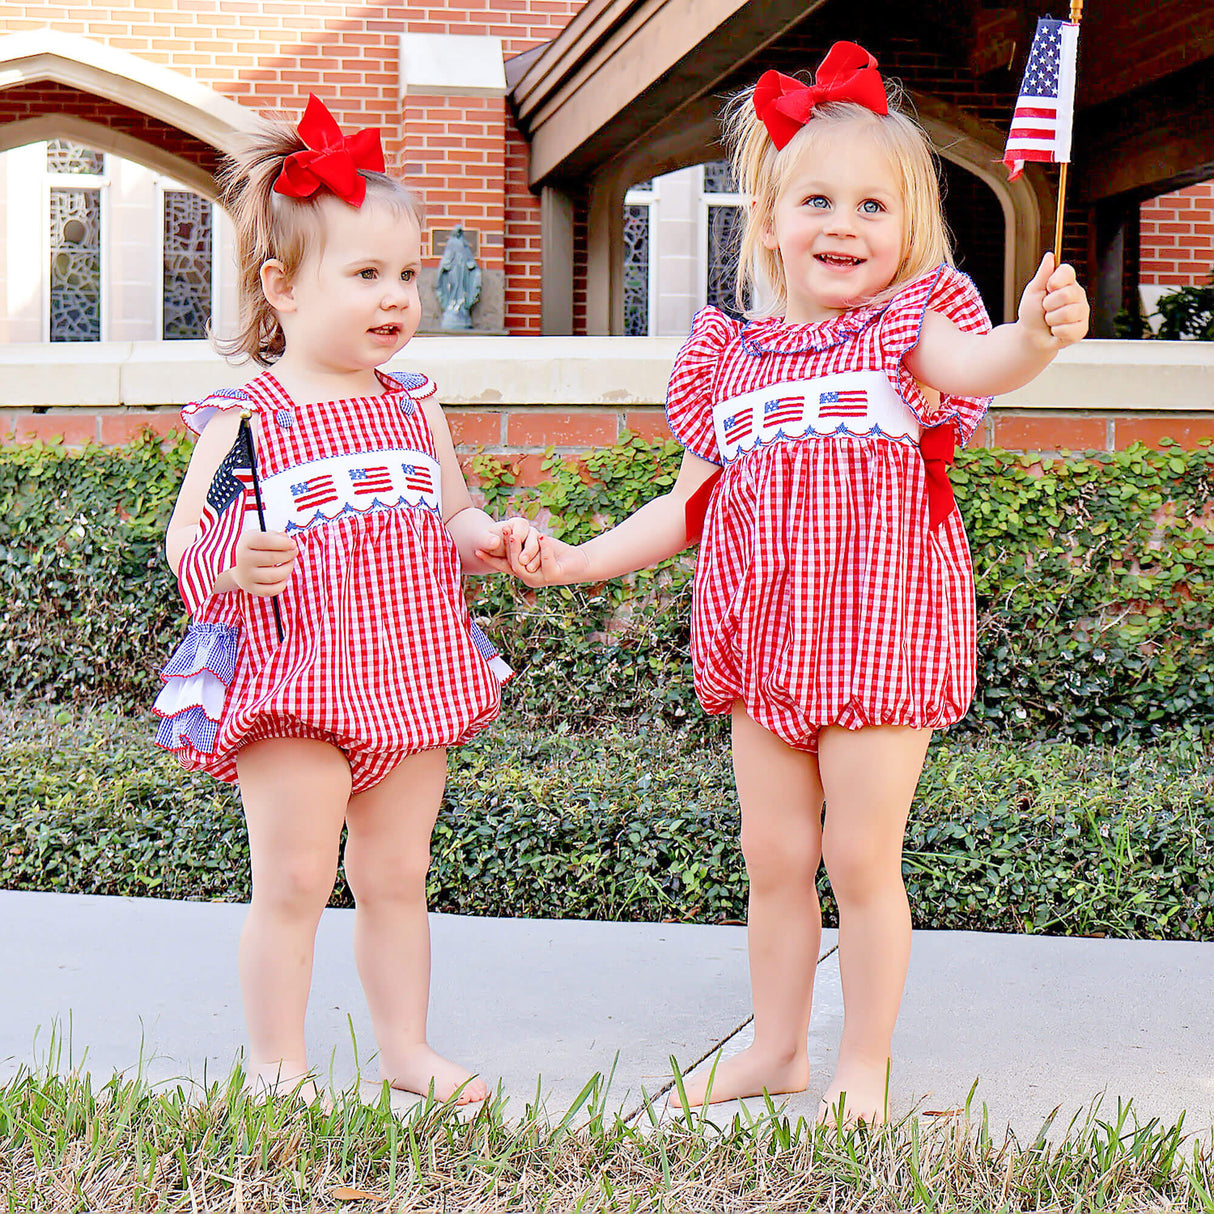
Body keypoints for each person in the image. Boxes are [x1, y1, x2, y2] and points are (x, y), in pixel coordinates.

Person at [506, 43, 1089, 1123]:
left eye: (872, 205)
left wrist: (1033, 340)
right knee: (772, 852)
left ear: (908, 231)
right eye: (815, 199)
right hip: (763, 639)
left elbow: (984, 368)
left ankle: (858, 1061)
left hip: (876, 631)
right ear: (766, 221)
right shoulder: (732, 359)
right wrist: (581, 558)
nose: (841, 225)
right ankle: (775, 1045)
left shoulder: (913, 330)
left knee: (858, 853)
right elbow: (688, 505)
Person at [153, 95, 538, 1104]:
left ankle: (405, 1049)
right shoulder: (252, 418)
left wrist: (488, 539)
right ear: (280, 286)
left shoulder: (411, 404)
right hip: (297, 678)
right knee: (290, 881)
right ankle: (278, 1064)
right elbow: (186, 541)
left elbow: (449, 509)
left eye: (405, 275)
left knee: (396, 875)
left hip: (408, 672)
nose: (395, 297)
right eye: (364, 274)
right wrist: (238, 558)